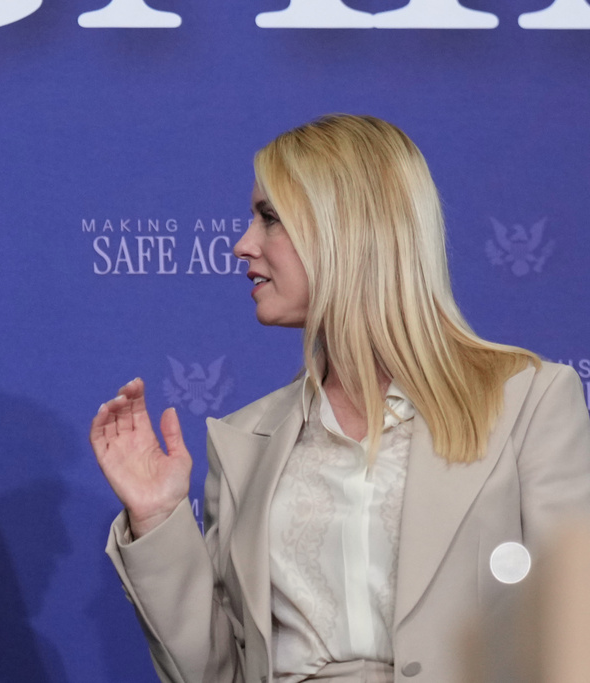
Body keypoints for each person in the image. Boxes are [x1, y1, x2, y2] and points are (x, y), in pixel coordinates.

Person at [90, 114, 590, 683]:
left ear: (349, 228)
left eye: (269, 218)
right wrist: (157, 518)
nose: (240, 244)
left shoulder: (528, 403)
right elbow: (215, 673)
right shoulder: (245, 440)